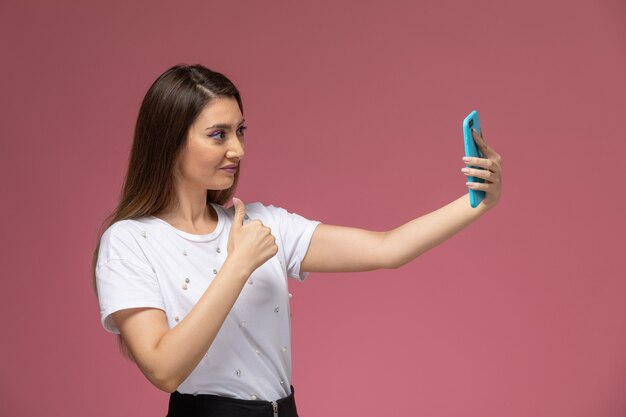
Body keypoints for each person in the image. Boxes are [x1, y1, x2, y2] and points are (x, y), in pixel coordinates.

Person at [92, 64, 502, 417]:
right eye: (218, 134)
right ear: (170, 141)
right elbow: (164, 369)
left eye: (240, 130)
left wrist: (476, 204)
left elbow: (387, 248)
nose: (237, 149)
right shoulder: (130, 241)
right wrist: (237, 265)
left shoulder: (262, 223)